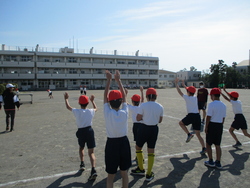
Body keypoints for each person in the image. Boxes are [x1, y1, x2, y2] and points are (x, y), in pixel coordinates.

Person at [103, 70, 131, 188]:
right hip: (124, 142)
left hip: (112, 144)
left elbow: (105, 96)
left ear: (109, 101)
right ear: (120, 101)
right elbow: (124, 97)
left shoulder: (107, 112)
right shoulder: (125, 112)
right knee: (124, 173)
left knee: (111, 174)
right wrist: (118, 80)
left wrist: (109, 80)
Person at [131, 87, 164, 182]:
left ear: (146, 96)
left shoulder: (143, 105)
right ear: (156, 96)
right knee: (151, 151)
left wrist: (144, 118)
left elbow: (138, 118)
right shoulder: (160, 106)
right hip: (154, 129)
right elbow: (160, 120)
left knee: (138, 147)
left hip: (143, 128)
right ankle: (149, 173)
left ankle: (141, 168)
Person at [64, 92, 98, 180]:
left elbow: (68, 107)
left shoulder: (77, 111)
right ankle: (93, 169)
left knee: (81, 147)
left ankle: (82, 163)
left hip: (81, 131)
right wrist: (93, 101)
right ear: (88, 103)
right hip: (89, 131)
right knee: (91, 152)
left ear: (79, 103)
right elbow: (95, 108)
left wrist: (66, 99)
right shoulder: (90, 111)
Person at [175, 78, 206, 155]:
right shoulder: (195, 97)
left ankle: (189, 134)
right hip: (197, 116)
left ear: (188, 92)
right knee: (198, 134)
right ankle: (204, 147)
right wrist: (184, 85)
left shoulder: (187, 97)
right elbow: (190, 91)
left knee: (181, 123)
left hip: (191, 116)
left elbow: (180, 92)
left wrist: (177, 84)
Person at [204, 88, 226, 169]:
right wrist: (221, 125)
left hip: (212, 125)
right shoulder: (224, 105)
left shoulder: (212, 104)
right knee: (218, 145)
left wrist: (206, 127)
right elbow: (223, 118)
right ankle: (218, 162)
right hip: (219, 125)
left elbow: (208, 117)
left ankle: (210, 160)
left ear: (213, 96)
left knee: (208, 144)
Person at [126, 86, 144, 163]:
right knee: (141, 143)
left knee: (137, 143)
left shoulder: (132, 108)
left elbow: (124, 102)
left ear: (132, 101)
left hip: (136, 126)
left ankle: (139, 157)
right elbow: (143, 100)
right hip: (143, 125)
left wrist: (125, 94)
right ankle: (140, 156)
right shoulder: (141, 107)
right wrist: (142, 92)